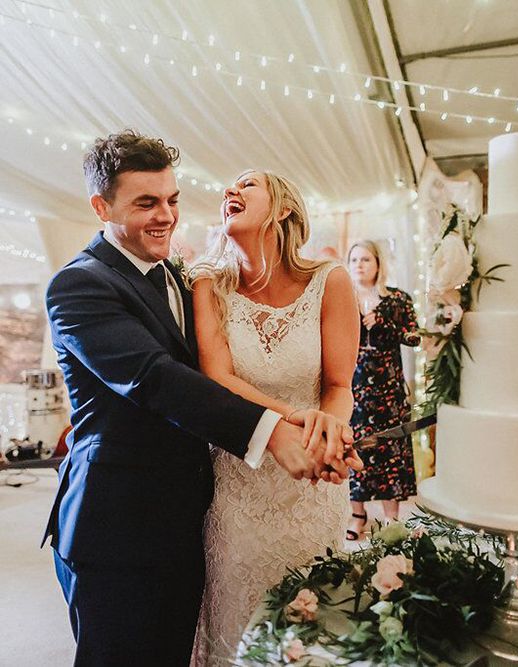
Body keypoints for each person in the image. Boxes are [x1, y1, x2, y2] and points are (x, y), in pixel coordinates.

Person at [43, 130, 351, 667]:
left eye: (172, 200)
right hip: (119, 527)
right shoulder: (80, 285)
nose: (166, 216)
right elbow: (155, 378)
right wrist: (273, 430)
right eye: (146, 203)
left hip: (191, 517)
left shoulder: (177, 277)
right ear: (101, 206)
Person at [190, 170, 360, 663]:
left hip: (309, 492)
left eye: (246, 185)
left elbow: (338, 386)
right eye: (229, 188)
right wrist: (299, 417)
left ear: (284, 208)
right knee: (237, 625)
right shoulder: (208, 284)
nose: (230, 192)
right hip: (238, 488)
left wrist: (329, 426)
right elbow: (218, 378)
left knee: (308, 626)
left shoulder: (330, 282)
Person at [346, 240, 420, 540]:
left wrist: (385, 324)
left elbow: (414, 337)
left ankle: (392, 518)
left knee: (391, 449)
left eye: (365, 259)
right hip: (355, 387)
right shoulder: (343, 299)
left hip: (389, 389)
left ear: (378, 264)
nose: (359, 265)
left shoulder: (398, 300)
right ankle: (357, 515)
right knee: (357, 448)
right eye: (353, 260)